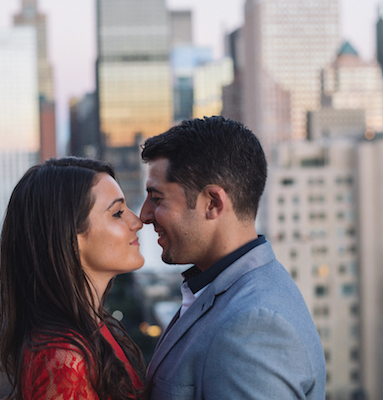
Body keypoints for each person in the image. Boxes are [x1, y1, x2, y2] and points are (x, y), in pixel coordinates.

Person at [140, 116, 326, 399]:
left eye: (157, 198)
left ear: (213, 203)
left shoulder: (255, 327)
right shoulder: (228, 291)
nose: (144, 215)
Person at [0, 157, 146, 400]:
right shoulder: (63, 358)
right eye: (117, 213)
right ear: (71, 239)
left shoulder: (91, 330)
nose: (137, 222)